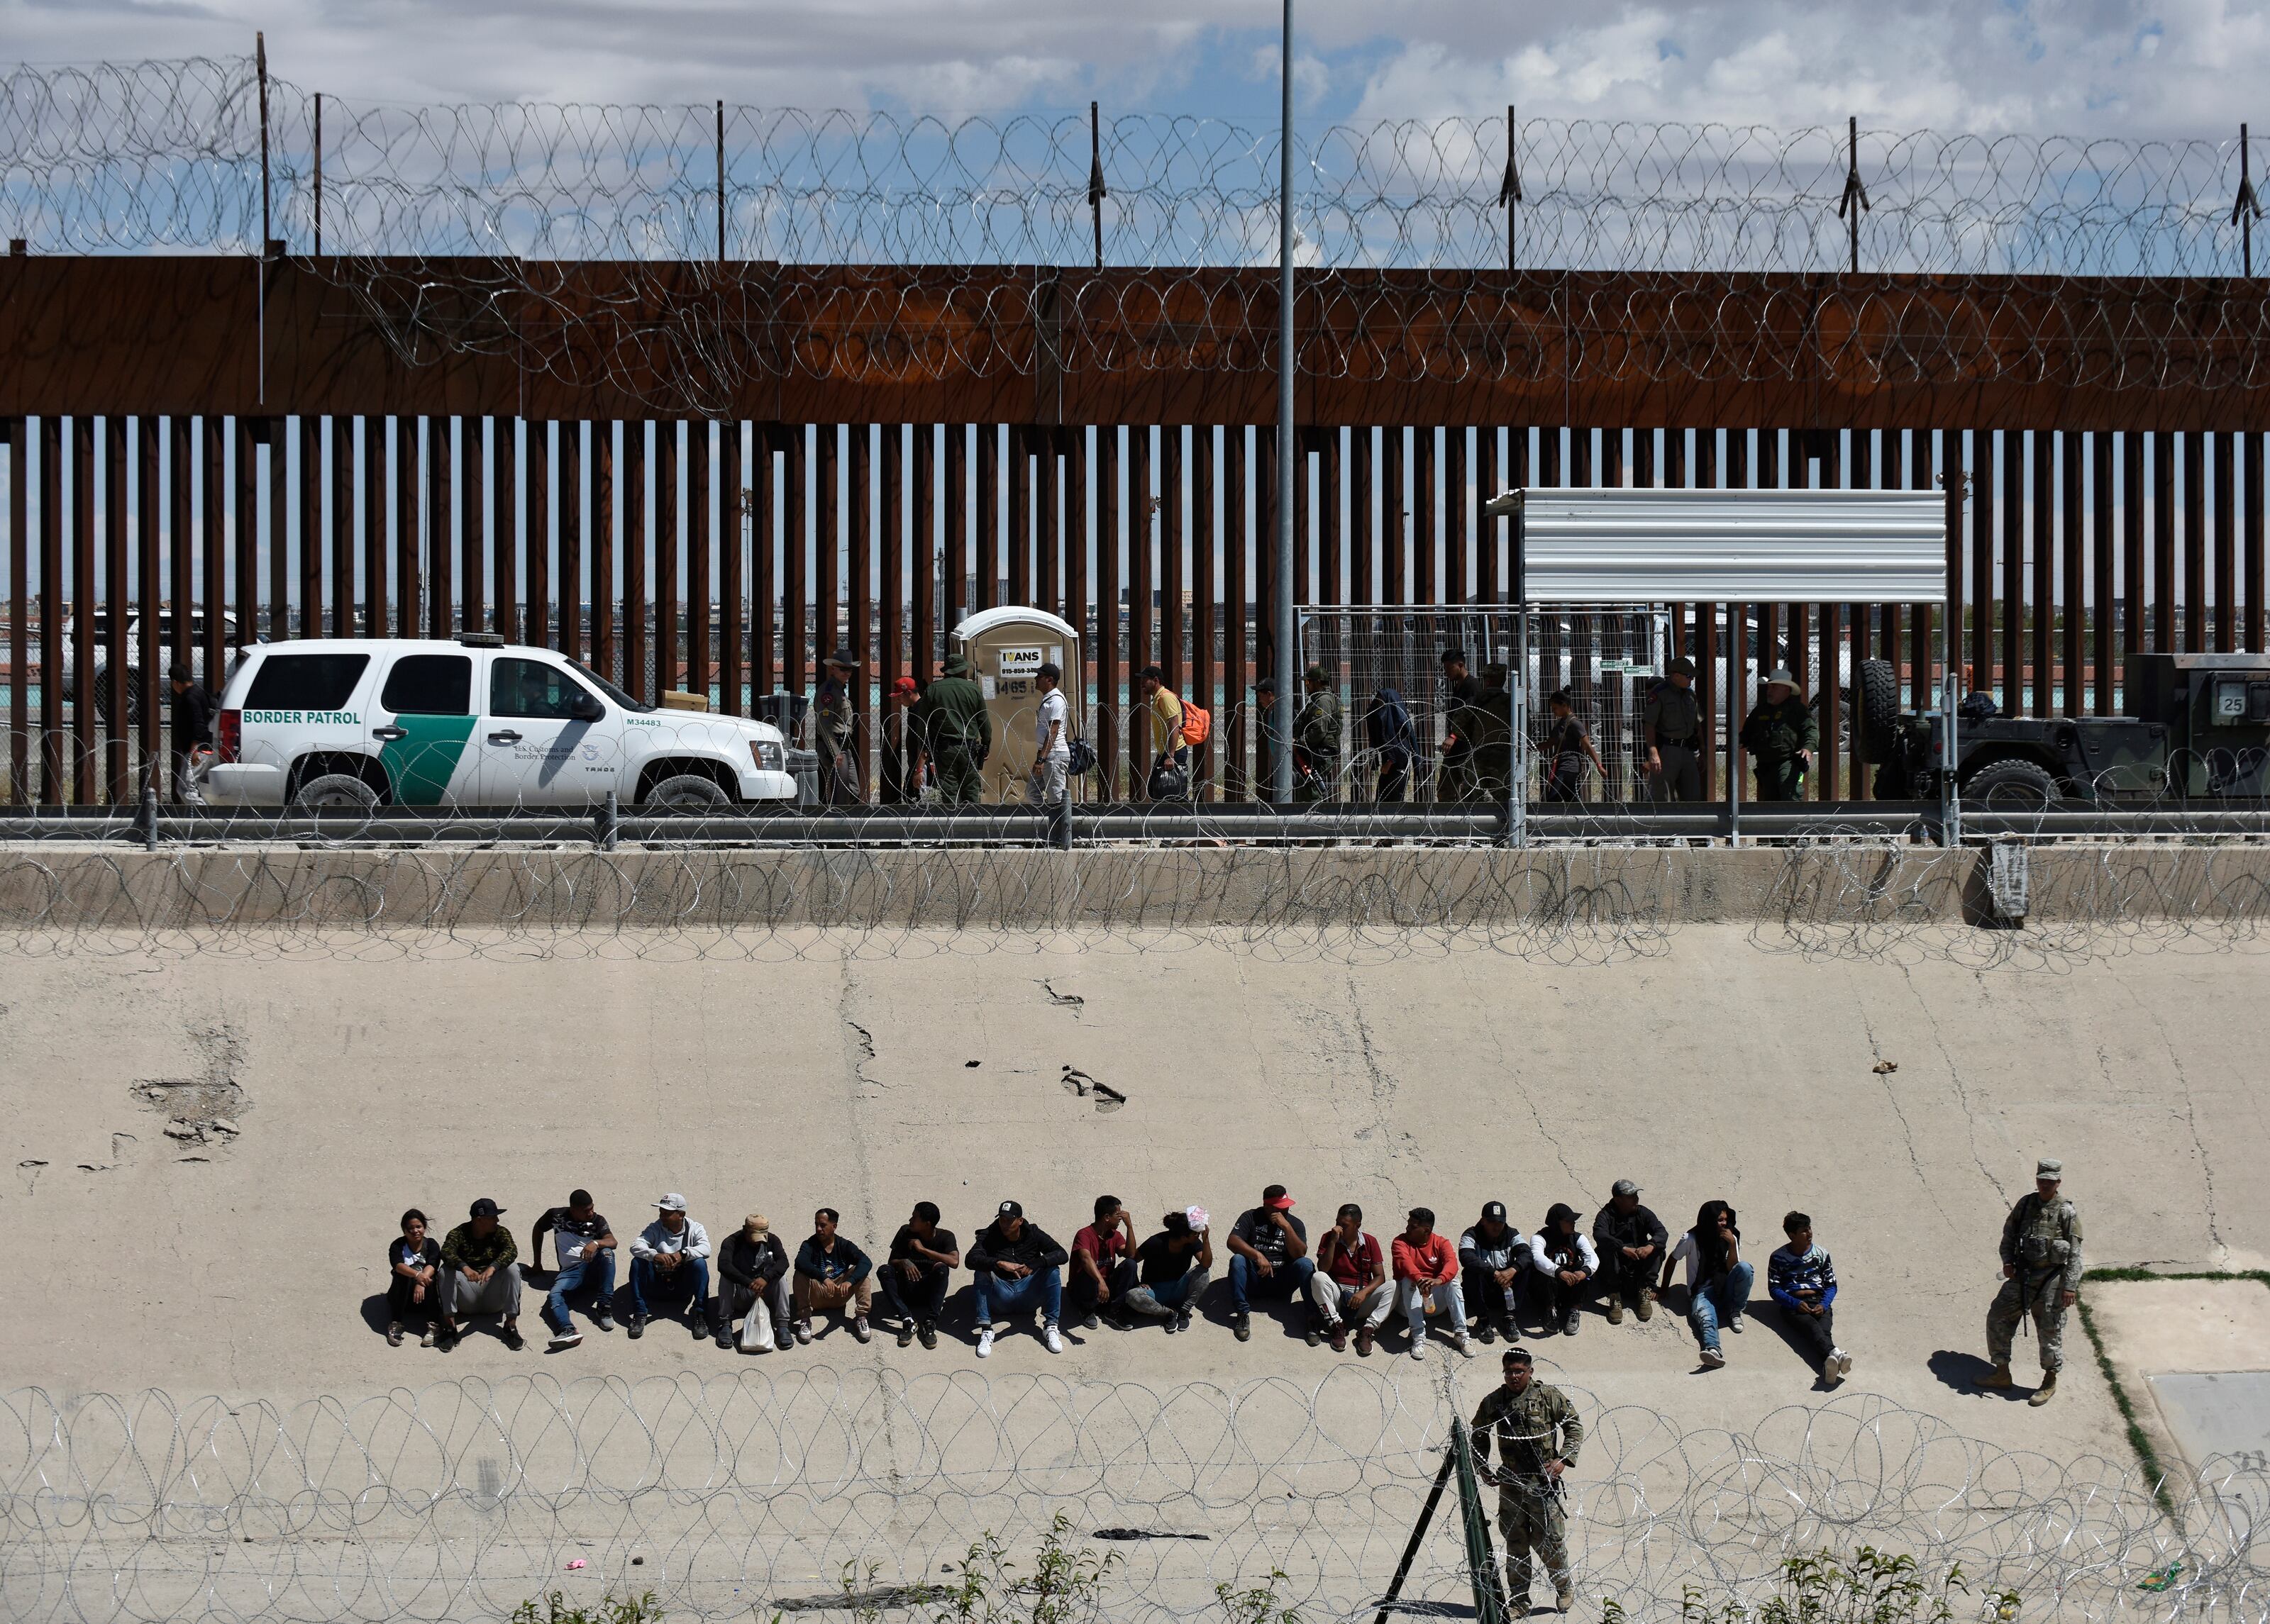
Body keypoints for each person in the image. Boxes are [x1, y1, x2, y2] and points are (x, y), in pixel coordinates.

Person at [1471, 1347, 1585, 1615]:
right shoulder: (1496, 1401)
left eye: (1519, 1371)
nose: (1514, 1377)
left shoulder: (1547, 1397)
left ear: (1530, 1372)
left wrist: (1562, 1461)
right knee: (1515, 1543)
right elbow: (1478, 1432)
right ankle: (1520, 1602)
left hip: (1542, 1483)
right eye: (1509, 1371)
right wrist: (1482, 1466)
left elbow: (1573, 1425)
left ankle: (1564, 1588)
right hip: (1511, 1484)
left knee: (1550, 1544)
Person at [1983, 1158, 2084, 1406]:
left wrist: (2070, 1287)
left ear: (2058, 1182)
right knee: (1998, 1316)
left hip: (2052, 1280)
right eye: (2041, 1180)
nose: (2044, 1185)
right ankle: (2001, 1373)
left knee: (2049, 1331)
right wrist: (2007, 1262)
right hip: (2023, 1275)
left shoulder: (2066, 1212)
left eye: (2050, 1181)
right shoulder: (2026, 1204)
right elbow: (2009, 1234)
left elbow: (2075, 1254)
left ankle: (2049, 1381)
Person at [968, 1199, 1068, 1357]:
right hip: (1001, 1296)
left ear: (1020, 1221)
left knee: (1052, 1270)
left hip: (1029, 1295)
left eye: (1009, 1220)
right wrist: (999, 1263)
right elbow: (971, 1259)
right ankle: (986, 1330)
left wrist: (1035, 1263)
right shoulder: (990, 1234)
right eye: (1002, 1219)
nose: (1004, 1224)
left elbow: (1062, 1254)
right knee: (981, 1271)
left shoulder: (1033, 1233)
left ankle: (1051, 1326)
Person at [1661, 1199, 1752, 1369]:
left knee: (1745, 1268)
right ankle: (1713, 1350)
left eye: (1725, 1219)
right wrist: (1664, 1288)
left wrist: (1732, 1244)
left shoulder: (1732, 1235)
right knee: (1706, 1316)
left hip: (1725, 1287)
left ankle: (1735, 1311)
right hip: (1702, 1291)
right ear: (1709, 1220)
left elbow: (1733, 1267)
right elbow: (1673, 1259)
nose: (1724, 1223)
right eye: (1720, 1220)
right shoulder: (1691, 1238)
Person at [1769, 1211, 1851, 1384]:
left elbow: (1831, 1284)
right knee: (1813, 1328)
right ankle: (1837, 1354)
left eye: (1810, 1228)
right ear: (1792, 1235)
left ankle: (1828, 1367)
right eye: (1804, 1231)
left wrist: (1824, 1304)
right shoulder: (1778, 1257)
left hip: (1819, 1301)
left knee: (1823, 1333)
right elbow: (1774, 1288)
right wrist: (1795, 1303)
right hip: (1794, 1306)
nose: (1810, 1233)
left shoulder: (1821, 1253)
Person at [1226, 1184, 1316, 1342]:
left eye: (1286, 1207)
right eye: (1280, 1208)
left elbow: (1300, 1254)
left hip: (1282, 1283)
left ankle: (1312, 1319)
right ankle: (1242, 1314)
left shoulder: (1294, 1224)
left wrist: (1286, 1227)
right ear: (1266, 1206)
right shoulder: (1251, 1217)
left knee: (1306, 1264)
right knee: (1238, 1260)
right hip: (1254, 1280)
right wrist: (1257, 1255)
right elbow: (1232, 1241)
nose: (1285, 1211)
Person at [530, 1189, 619, 1350]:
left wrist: (596, 1243)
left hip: (592, 1269)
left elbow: (613, 1242)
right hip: (570, 1272)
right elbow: (538, 1228)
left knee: (607, 1253)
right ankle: (567, 1330)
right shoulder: (555, 1216)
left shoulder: (598, 1220)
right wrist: (537, 1263)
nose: (591, 1213)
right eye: (586, 1211)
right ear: (573, 1209)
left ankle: (604, 1307)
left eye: (592, 1208)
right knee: (555, 1296)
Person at [436, 1197, 522, 1352]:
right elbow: (446, 1251)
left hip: (493, 1296)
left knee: (513, 1269)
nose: (497, 1220)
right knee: (445, 1271)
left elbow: (512, 1250)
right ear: (479, 1220)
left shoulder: (500, 1232)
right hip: (467, 1295)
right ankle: (450, 1329)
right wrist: (465, 1268)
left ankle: (510, 1326)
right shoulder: (459, 1233)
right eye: (492, 1217)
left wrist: (493, 1268)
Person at [1308, 1202, 1393, 1354]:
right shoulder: (1329, 1238)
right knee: (1318, 1277)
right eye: (1337, 1223)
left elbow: (1380, 1277)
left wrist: (1363, 1293)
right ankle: (1336, 1326)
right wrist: (1333, 1243)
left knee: (1394, 1286)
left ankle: (1368, 1330)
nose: (1338, 1228)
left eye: (1344, 1225)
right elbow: (1323, 1269)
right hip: (1337, 1298)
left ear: (1357, 1225)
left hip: (1362, 1299)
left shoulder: (1370, 1242)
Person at [1392, 1207, 1474, 1361]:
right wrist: (1420, 1280)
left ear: (1426, 1230)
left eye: (1413, 1226)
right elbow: (1405, 1264)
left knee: (1452, 1281)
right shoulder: (1399, 1242)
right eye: (1408, 1224)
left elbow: (1452, 1264)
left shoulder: (1441, 1243)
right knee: (1409, 1279)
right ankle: (1417, 1333)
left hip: (1433, 1304)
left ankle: (1461, 1333)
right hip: (1407, 1304)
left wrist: (1439, 1280)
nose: (1407, 1228)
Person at [629, 1193, 714, 1342]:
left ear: (681, 1214)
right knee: (637, 1262)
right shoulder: (655, 1228)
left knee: (700, 1263)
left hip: (682, 1289)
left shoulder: (695, 1228)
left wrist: (684, 1254)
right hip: (656, 1286)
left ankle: (700, 1314)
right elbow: (636, 1246)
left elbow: (706, 1249)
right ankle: (640, 1312)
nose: (662, 1216)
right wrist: (654, 1255)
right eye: (661, 1212)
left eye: (666, 1213)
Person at [913, 654, 991, 807]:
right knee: (971, 789)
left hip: (945, 749)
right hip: (969, 747)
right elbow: (984, 721)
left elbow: (923, 724)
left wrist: (924, 747)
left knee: (949, 790)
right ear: (962, 671)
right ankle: (974, 823)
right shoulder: (973, 689)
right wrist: (987, 745)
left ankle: (953, 825)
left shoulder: (933, 690)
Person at [881, 1201, 960, 1350]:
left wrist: (923, 1250)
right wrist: (904, 1262)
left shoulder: (946, 1236)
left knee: (943, 1269)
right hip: (905, 1288)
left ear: (927, 1224)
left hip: (928, 1293)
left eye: (914, 1218)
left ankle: (930, 1322)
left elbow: (954, 1261)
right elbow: (891, 1262)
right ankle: (907, 1319)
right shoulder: (905, 1232)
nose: (910, 1220)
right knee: (884, 1270)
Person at [1122, 1207, 1213, 1332]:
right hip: (1155, 1292)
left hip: (1179, 1288)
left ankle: (1184, 1311)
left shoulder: (1193, 1243)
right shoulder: (1156, 1242)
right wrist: (1138, 1284)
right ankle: (1168, 1313)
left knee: (1203, 1272)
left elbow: (1206, 1264)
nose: (1198, 1235)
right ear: (1183, 1236)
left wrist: (1206, 1240)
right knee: (1133, 1296)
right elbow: (1131, 1261)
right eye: (1195, 1233)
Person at [792, 1208, 875, 1344]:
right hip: (817, 1295)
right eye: (816, 1224)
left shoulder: (844, 1245)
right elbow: (800, 1262)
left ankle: (861, 1317)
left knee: (862, 1274)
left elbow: (866, 1262)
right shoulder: (809, 1245)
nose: (818, 1229)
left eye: (823, 1225)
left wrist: (849, 1282)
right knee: (800, 1273)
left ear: (834, 1226)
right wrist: (824, 1278)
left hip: (840, 1293)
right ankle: (805, 1319)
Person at [1591, 1179, 1668, 1325]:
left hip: (1638, 1261)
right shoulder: (1605, 1215)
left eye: (1636, 1195)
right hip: (1615, 1265)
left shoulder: (1643, 1212)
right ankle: (1614, 1295)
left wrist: (1650, 1246)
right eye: (1631, 1196)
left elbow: (1661, 1232)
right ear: (1618, 1199)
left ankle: (1645, 1290)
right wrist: (1622, 1248)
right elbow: (1599, 1234)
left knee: (1658, 1249)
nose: (1636, 1198)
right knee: (1604, 1250)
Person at [716, 1213, 792, 1353]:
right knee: (725, 1277)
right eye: (754, 1238)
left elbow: (783, 1262)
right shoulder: (731, 1242)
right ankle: (725, 1323)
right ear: (745, 1229)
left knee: (781, 1277)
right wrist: (747, 1282)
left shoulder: (773, 1240)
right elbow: (723, 1264)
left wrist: (766, 1278)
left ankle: (783, 1325)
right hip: (742, 1293)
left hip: (765, 1293)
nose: (758, 1242)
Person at [1740, 668, 1817, 801]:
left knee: (1790, 794)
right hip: (1765, 764)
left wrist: (1808, 748)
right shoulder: (1761, 710)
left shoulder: (1797, 710)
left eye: (1774, 687)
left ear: (1786, 689)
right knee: (1771, 801)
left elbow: (1811, 730)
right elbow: (1748, 731)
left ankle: (1794, 822)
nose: (1769, 691)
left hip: (1788, 762)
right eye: (1769, 687)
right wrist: (1740, 741)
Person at [1458, 1201, 1529, 1345]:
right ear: (1483, 1220)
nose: (1497, 1226)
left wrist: (1513, 1270)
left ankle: (1510, 1317)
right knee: (1471, 1272)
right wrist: (1494, 1272)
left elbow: (1527, 1253)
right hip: (1483, 1289)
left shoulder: (1511, 1234)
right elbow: (1466, 1256)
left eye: (1500, 1222)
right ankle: (1483, 1320)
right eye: (1492, 1222)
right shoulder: (1471, 1234)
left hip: (1506, 1288)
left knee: (1526, 1268)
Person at [1068, 1195, 1139, 1330]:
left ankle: (1113, 1310)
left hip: (1105, 1288)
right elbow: (1085, 1259)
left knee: (1130, 1264)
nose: (1121, 1218)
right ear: (1107, 1217)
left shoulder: (1114, 1235)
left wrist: (1129, 1226)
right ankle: (1086, 1309)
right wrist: (1100, 1281)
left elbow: (1130, 1255)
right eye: (1118, 1214)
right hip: (1083, 1288)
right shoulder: (1084, 1234)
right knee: (1088, 1271)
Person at [1529, 1203, 1600, 1337]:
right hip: (1548, 1289)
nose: (1573, 1223)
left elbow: (1593, 1258)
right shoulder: (1539, 1238)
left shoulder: (1577, 1237)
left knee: (1588, 1271)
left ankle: (1574, 1310)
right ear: (1557, 1224)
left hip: (1570, 1286)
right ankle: (1550, 1311)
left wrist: (1584, 1272)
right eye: (1569, 1221)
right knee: (1540, 1271)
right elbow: (1537, 1259)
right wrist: (1559, 1272)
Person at [1644, 656, 1705, 801]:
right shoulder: (1659, 694)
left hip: (1688, 751)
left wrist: (1703, 751)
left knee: (1693, 795)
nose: (1692, 680)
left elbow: (1698, 724)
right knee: (1662, 796)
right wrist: (1653, 752)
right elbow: (1649, 724)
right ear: (1676, 676)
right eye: (1689, 676)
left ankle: (1689, 824)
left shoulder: (1690, 695)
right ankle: (1664, 824)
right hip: (1667, 751)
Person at [386, 1208, 442, 1348]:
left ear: (424, 1227)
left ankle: (434, 1325)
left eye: (419, 1227)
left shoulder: (431, 1245)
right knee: (402, 1276)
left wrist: (421, 1282)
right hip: (402, 1297)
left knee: (431, 1278)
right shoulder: (398, 1245)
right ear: (404, 1230)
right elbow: (398, 1265)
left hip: (425, 1297)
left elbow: (433, 1264)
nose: (415, 1231)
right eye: (410, 1228)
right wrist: (417, 1276)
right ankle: (396, 1323)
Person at [1542, 689, 1607, 803]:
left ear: (1564, 705)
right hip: (1560, 765)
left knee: (1553, 798)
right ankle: (1580, 819)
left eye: (1555, 708)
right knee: (1571, 800)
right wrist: (1529, 749)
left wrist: (1599, 765)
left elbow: (1587, 745)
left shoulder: (1574, 723)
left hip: (1569, 767)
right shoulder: (1560, 723)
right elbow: (1550, 743)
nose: (1553, 711)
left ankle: (1552, 819)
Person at [814, 649, 861, 805]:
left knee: (853, 789)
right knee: (839, 790)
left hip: (844, 748)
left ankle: (836, 814)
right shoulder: (828, 692)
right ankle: (832, 820)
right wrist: (835, 752)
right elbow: (824, 725)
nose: (847, 672)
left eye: (849, 669)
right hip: (833, 748)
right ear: (833, 668)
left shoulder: (840, 690)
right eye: (843, 669)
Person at [1292, 664, 1343, 803]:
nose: (1307, 686)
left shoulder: (1323, 701)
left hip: (1319, 753)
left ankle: (1314, 820)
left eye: (1309, 682)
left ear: (1318, 682)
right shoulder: (1319, 698)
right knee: (1307, 788)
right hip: (1315, 752)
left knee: (1311, 790)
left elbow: (1319, 730)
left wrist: (1299, 742)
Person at [1027, 661, 1073, 814]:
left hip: (1054, 756)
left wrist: (1041, 759)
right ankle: (1048, 824)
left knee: (1057, 800)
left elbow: (1053, 731)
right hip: (1046, 755)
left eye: (1039, 676)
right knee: (1032, 792)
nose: (1035, 679)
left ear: (1049, 680)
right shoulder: (1049, 698)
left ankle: (1062, 835)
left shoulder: (1056, 700)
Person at [168, 665, 217, 801]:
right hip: (207, 749)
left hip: (198, 751)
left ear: (175, 683)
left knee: (186, 790)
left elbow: (198, 723)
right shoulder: (199, 692)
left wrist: (194, 749)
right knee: (201, 790)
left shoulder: (190, 698)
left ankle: (204, 821)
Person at [1139, 664, 1187, 799]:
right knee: (1159, 792)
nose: (1142, 683)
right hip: (1166, 752)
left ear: (1156, 680)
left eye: (1145, 679)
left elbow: (1174, 725)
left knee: (1170, 796)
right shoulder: (1158, 698)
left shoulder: (1165, 698)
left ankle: (1182, 818)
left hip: (1174, 752)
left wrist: (1171, 755)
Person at [1435, 650, 1475, 799]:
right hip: (1455, 748)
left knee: (1468, 791)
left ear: (1460, 665)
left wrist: (1453, 736)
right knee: (1446, 790)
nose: (1446, 673)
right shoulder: (1458, 686)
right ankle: (1451, 820)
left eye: (1448, 668)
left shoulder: (1472, 686)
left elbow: (1470, 716)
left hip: (1466, 748)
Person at [1365, 688, 1415, 802]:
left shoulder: (1399, 723)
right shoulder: (1384, 719)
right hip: (1389, 766)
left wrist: (1390, 762)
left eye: (1381, 700)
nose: (1378, 703)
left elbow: (1401, 750)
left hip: (1398, 767)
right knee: (1382, 801)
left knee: (1393, 803)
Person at [881, 674, 924, 804]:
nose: (898, 700)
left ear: (909, 693)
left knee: (916, 797)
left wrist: (919, 769)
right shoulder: (913, 709)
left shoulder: (920, 711)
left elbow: (923, 742)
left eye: (899, 696)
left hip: (921, 764)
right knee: (910, 795)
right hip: (915, 762)